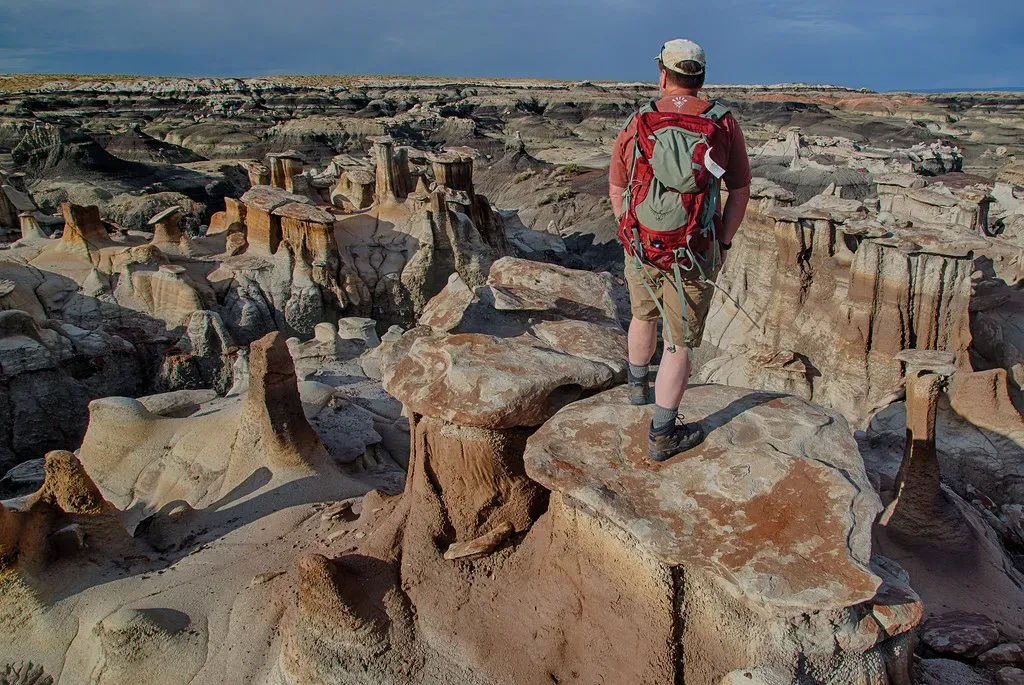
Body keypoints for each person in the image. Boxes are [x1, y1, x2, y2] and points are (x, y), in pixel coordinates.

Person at [608, 38, 751, 462]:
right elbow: (739, 189)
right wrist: (722, 241)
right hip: (695, 248)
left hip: (642, 243)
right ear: (701, 78)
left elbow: (617, 187)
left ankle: (637, 389)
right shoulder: (722, 123)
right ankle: (663, 433)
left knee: (641, 313)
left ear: (663, 75)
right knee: (678, 342)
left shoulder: (641, 121)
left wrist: (628, 230)